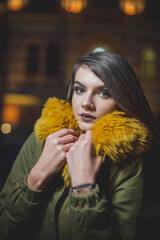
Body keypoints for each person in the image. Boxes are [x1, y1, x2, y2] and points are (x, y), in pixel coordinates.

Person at [0, 51, 157, 240]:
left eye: (104, 93)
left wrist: (85, 189)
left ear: (122, 100)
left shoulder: (129, 158)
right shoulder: (43, 138)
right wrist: (36, 177)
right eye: (80, 89)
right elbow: (5, 229)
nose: (86, 103)